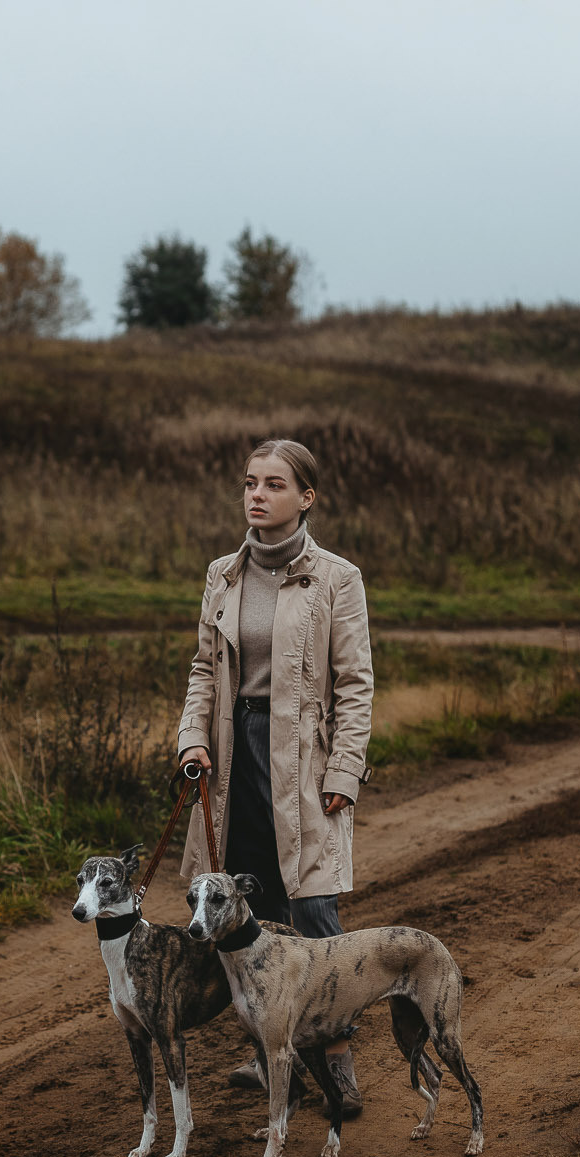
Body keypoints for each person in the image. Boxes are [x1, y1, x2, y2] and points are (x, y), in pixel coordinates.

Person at [176, 438, 374, 1113]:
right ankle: (272, 1058)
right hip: (234, 758)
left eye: (274, 484)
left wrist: (345, 769)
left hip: (306, 765)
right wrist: (190, 740)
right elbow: (205, 670)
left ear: (306, 497)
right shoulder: (222, 575)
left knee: (314, 909)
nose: (256, 494)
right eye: (250, 482)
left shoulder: (336, 579)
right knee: (247, 914)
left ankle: (340, 1070)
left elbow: (355, 684)